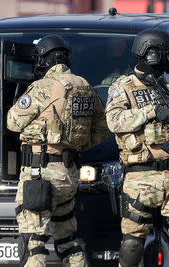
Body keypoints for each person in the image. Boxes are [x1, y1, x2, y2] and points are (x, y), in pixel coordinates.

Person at [105, 29, 169, 267]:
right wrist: (150, 112)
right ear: (151, 55)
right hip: (141, 177)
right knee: (132, 245)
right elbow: (114, 120)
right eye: (167, 54)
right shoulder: (124, 87)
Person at [7, 35, 109, 267]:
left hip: (39, 174)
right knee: (68, 240)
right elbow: (103, 130)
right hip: (68, 174)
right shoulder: (85, 86)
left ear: (44, 60)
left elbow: (12, 122)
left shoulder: (42, 87)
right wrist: (76, 144)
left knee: (33, 244)